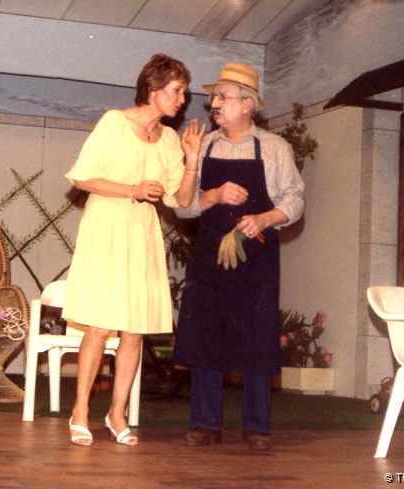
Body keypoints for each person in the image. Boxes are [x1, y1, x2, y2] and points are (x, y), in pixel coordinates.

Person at [62, 54, 205, 446]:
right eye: (177, 91)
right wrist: (133, 190)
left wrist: (192, 160)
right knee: (99, 325)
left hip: (142, 232)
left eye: (184, 92)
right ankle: (80, 412)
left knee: (134, 329)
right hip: (107, 226)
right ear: (153, 88)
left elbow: (180, 200)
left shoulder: (170, 139)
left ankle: (117, 414)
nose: (182, 100)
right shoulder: (114, 122)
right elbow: (82, 178)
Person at [173, 63, 305, 451]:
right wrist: (213, 195)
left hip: (258, 257)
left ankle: (257, 426)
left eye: (223, 97)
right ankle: (205, 423)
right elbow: (182, 207)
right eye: (213, 96)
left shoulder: (275, 148)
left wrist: (264, 219)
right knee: (205, 335)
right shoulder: (202, 147)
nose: (214, 103)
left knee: (257, 337)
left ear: (247, 104)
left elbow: (295, 200)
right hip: (209, 256)